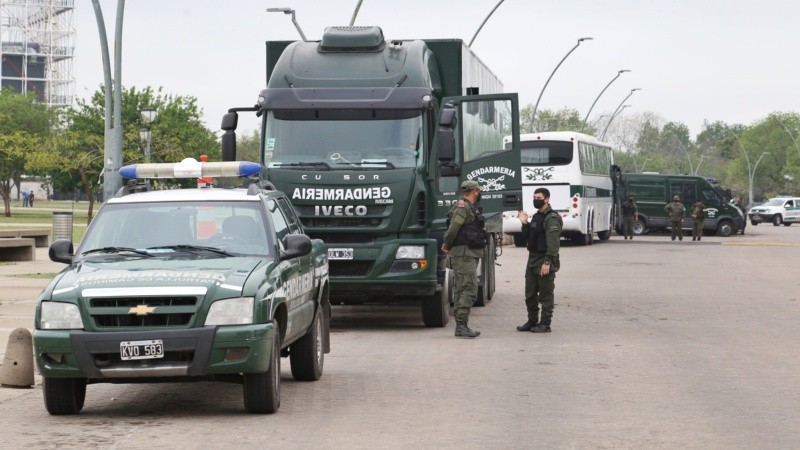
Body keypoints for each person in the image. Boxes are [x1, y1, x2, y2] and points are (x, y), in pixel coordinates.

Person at [441, 180, 486, 338]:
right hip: (464, 253)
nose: (479, 193)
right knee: (469, 288)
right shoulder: (463, 207)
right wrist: (447, 244)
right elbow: (453, 228)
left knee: (462, 288)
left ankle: (461, 325)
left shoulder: (469, 207)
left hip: (469, 253)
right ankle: (461, 325)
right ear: (474, 191)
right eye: (478, 191)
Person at [516, 187, 563, 333]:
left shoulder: (552, 218)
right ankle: (532, 320)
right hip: (532, 259)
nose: (536, 200)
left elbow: (553, 244)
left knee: (545, 294)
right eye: (534, 197)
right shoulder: (537, 216)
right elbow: (529, 237)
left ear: (547, 199)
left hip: (544, 260)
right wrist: (524, 223)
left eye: (539, 198)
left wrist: (547, 262)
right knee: (530, 294)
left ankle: (545, 323)